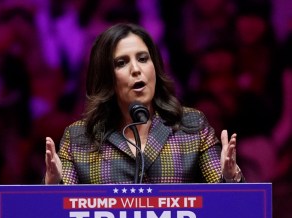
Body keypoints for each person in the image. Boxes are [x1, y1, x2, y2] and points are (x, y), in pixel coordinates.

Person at [44, 23, 244, 184]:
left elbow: (226, 209)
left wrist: (230, 177)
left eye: (143, 59)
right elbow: (61, 215)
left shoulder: (191, 126)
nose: (136, 69)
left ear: (155, 67)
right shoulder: (80, 137)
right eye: (121, 63)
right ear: (106, 77)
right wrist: (52, 187)